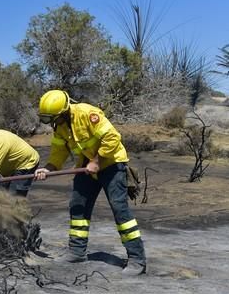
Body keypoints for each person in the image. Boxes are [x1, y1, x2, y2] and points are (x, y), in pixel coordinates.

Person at [33, 90, 146, 275]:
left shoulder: (88, 114)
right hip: (86, 166)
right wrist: (49, 168)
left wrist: (97, 161)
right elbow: (58, 151)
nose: (50, 123)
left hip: (111, 163)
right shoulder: (60, 126)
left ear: (63, 112)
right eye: (46, 119)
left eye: (52, 118)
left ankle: (137, 259)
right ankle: (77, 252)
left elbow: (112, 138)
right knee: (78, 205)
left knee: (120, 210)